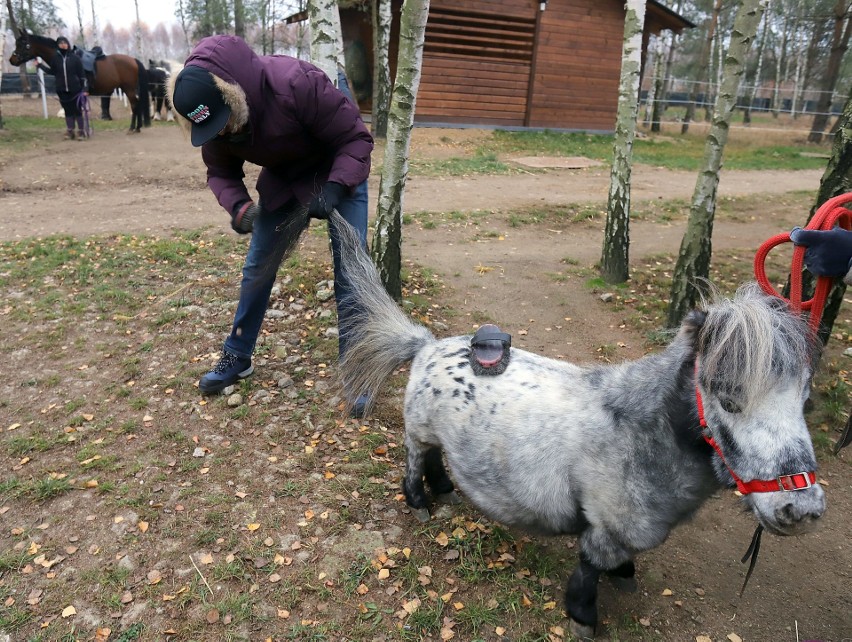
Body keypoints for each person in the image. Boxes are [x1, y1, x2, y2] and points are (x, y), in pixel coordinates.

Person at [168, 35, 374, 415]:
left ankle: (359, 369)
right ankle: (238, 355)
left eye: (222, 122)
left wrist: (333, 187)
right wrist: (239, 207)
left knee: (351, 270)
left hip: (339, 169)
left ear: (235, 97)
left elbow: (355, 139)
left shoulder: (296, 84)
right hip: (285, 176)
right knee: (257, 267)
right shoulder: (213, 119)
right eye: (211, 128)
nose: (222, 133)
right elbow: (220, 171)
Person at [35, 36, 89, 140]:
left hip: (75, 89)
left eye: (64, 43)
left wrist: (85, 88)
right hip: (61, 89)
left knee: (77, 111)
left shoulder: (75, 58)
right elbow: (52, 72)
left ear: (68, 44)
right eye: (60, 43)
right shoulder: (55, 59)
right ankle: (70, 131)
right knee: (67, 111)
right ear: (58, 45)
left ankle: (81, 132)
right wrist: (40, 65)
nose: (63, 44)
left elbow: (82, 74)